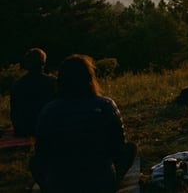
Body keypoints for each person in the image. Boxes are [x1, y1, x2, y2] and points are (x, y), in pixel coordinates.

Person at [31, 54, 137, 193]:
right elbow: (118, 148)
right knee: (130, 148)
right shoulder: (106, 105)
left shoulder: (48, 110)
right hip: (101, 182)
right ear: (89, 78)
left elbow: (42, 153)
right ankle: (114, 182)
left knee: (33, 162)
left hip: (60, 184)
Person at [10, 47, 57, 137]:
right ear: (43, 63)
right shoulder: (53, 82)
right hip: (48, 127)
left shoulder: (18, 84)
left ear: (27, 64)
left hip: (24, 128)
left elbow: (14, 111)